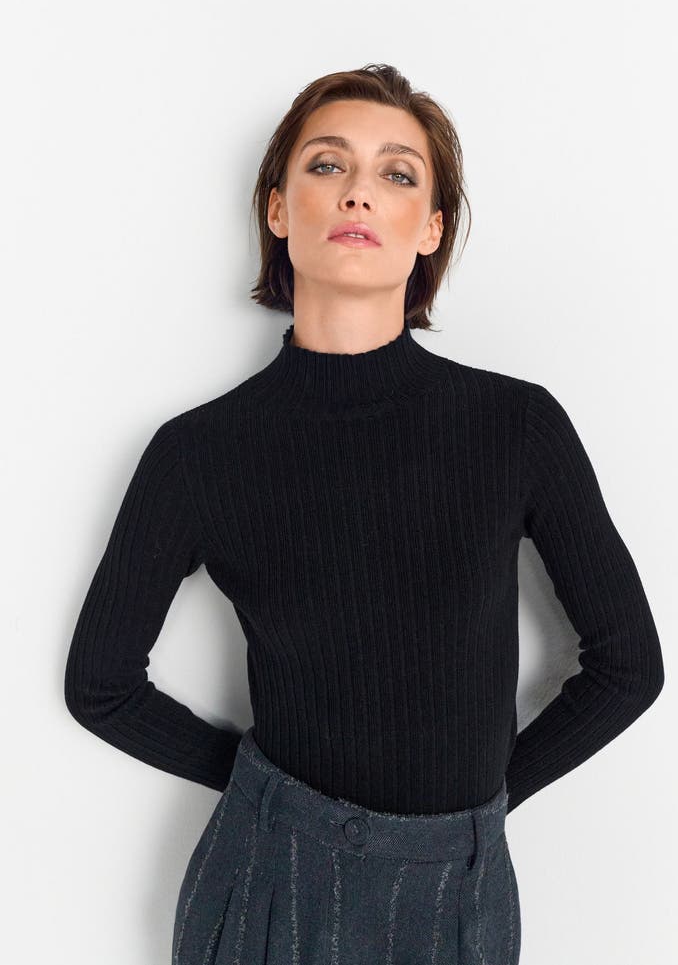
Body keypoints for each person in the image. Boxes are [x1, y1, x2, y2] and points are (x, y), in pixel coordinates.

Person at [64, 63, 664, 965]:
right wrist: (277, 799)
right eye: (326, 164)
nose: (358, 191)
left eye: (397, 173)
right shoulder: (199, 452)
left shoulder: (516, 425)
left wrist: (478, 809)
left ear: (431, 228)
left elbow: (629, 667)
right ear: (278, 210)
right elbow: (100, 685)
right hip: (272, 883)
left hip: (460, 893)